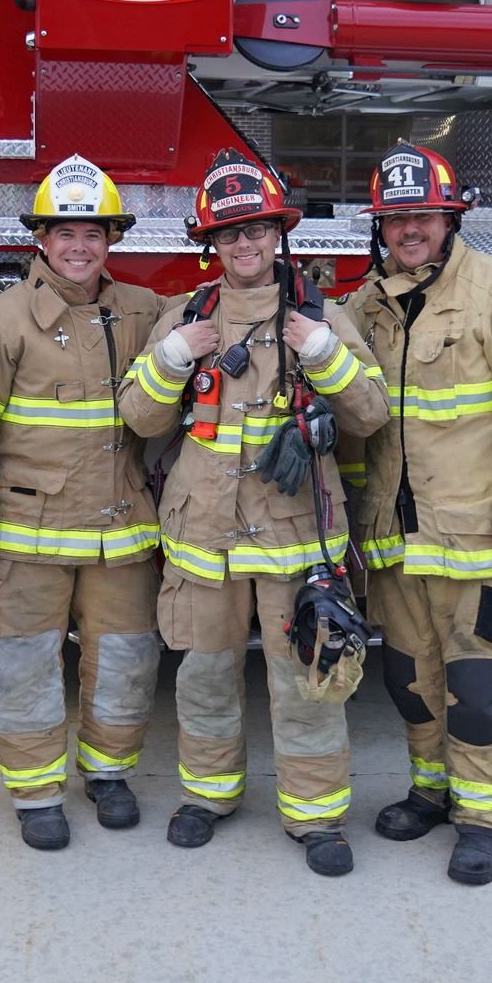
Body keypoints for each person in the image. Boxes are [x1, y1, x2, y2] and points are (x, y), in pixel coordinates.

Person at [118, 147, 389, 877]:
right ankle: (208, 797)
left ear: (278, 234)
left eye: (258, 229)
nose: (245, 243)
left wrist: (324, 354)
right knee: (204, 677)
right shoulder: (186, 317)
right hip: (203, 540)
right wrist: (172, 358)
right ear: (211, 241)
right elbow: (139, 418)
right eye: (230, 232)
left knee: (307, 682)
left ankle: (316, 816)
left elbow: (370, 414)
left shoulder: (318, 316)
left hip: (295, 543)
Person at [339, 141, 492, 886]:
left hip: (480, 539)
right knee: (411, 680)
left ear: (450, 219)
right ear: (381, 227)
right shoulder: (367, 306)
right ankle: (433, 792)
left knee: (477, 687)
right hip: (397, 541)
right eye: (396, 218)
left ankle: (485, 820)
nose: (410, 229)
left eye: (424, 215)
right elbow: (360, 428)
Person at [0, 155, 169, 851]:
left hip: (120, 533)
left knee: (127, 660)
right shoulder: (2, 321)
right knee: (25, 668)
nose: (79, 247)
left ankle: (109, 774)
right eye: (65, 232)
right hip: (26, 538)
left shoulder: (143, 310)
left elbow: (209, 319)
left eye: (93, 233)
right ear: (40, 238)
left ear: (112, 240)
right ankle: (36, 793)